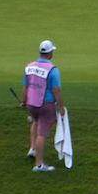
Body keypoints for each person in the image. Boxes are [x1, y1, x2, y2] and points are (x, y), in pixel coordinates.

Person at [21, 41, 62, 174]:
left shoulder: (29, 66)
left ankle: (32, 149)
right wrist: (61, 107)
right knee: (42, 134)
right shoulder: (53, 70)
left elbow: (25, 87)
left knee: (35, 121)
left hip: (31, 104)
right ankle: (39, 165)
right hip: (46, 105)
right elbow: (56, 92)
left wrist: (23, 101)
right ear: (50, 54)